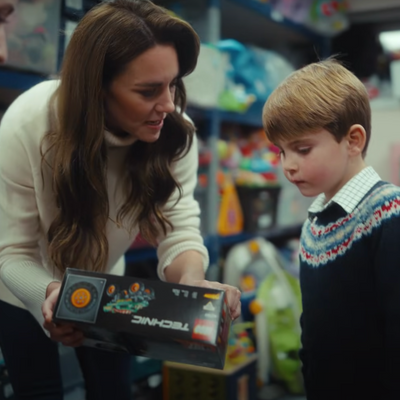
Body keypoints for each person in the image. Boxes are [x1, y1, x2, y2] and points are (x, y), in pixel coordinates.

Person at [0, 1, 241, 399]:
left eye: (173, 84)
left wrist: (193, 286)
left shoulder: (174, 133)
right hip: (23, 283)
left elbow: (177, 229)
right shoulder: (28, 124)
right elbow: (11, 251)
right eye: (148, 90)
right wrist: (49, 294)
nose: (168, 104)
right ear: (95, 88)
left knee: (112, 389)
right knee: (38, 391)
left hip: (108, 280)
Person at [262, 58, 400, 400]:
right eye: (282, 151)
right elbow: (314, 323)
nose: (288, 166)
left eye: (302, 149)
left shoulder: (388, 214)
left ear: (353, 140)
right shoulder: (316, 221)